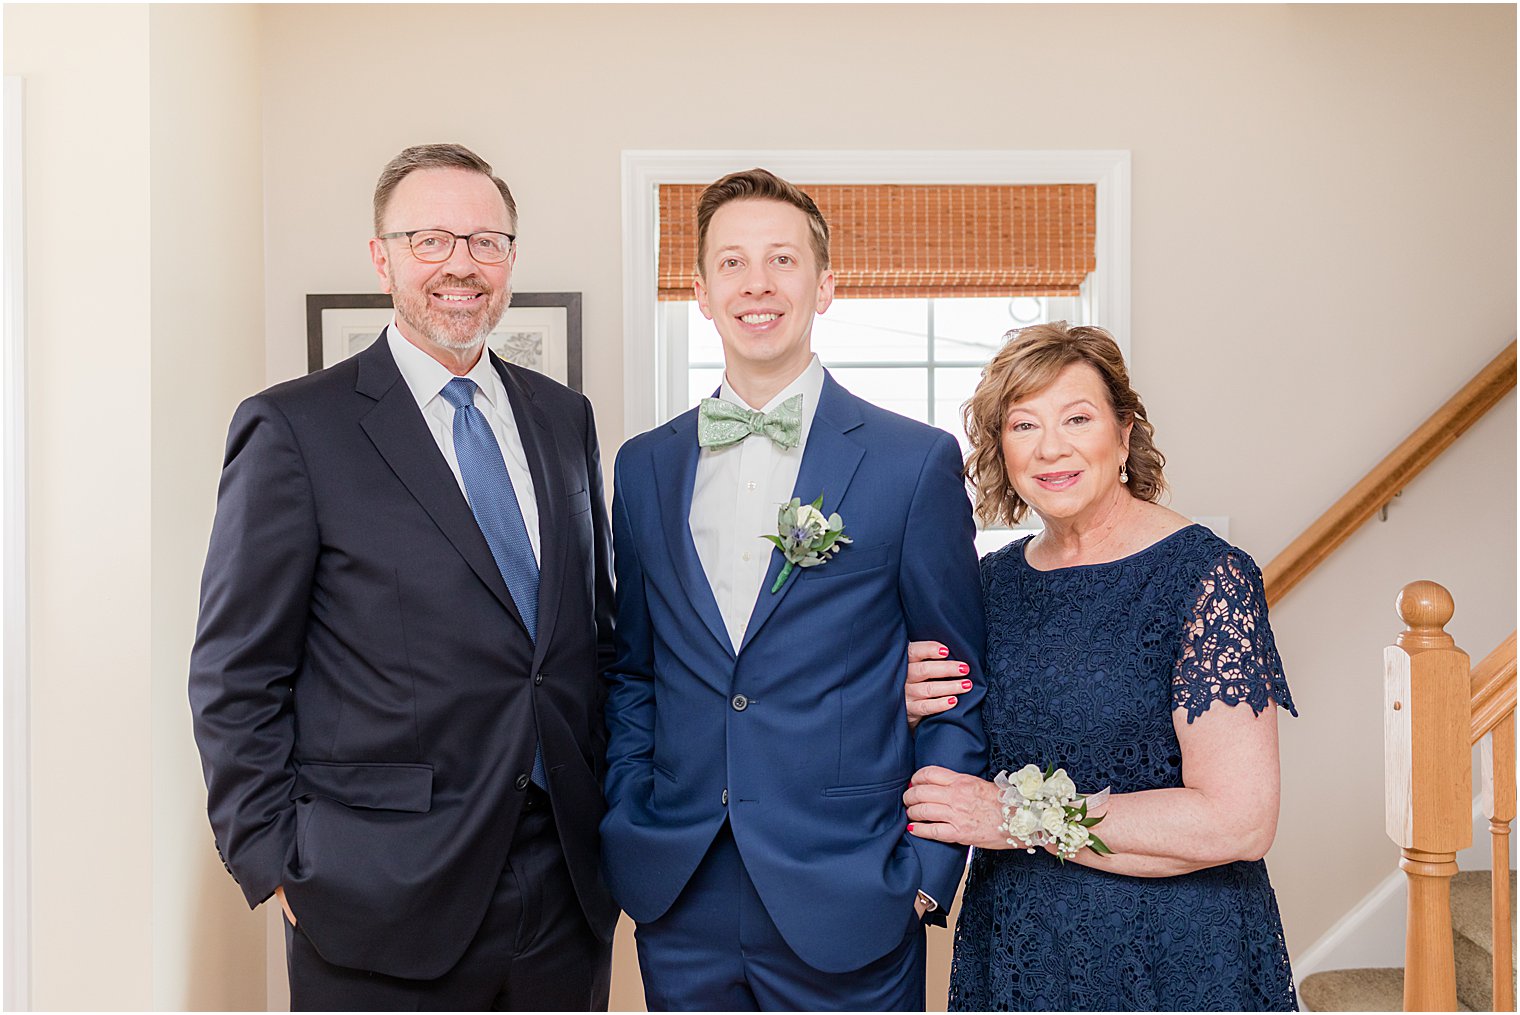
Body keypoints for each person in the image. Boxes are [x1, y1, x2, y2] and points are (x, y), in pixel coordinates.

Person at [188, 143, 617, 1010]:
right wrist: (273, 859)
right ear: (381, 257)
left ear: (509, 261)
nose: (462, 264)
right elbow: (236, 673)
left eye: (485, 241)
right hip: (376, 888)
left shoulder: (563, 418)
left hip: (564, 885)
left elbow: (588, 637)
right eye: (431, 240)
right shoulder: (294, 428)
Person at [600, 168, 988, 1011]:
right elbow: (635, 669)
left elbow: (957, 684)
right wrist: (630, 811)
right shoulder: (643, 466)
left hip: (853, 884)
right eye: (732, 263)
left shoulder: (910, 463)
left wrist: (924, 873)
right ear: (700, 292)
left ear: (825, 284)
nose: (758, 283)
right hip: (683, 884)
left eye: (782, 259)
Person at [903, 322, 1298, 1011]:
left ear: (1123, 434)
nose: (1050, 447)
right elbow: (954, 746)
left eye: (1076, 418)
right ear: (1003, 451)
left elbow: (1238, 819)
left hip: (1174, 954)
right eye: (1023, 424)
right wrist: (903, 699)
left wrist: (1019, 817)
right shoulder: (987, 585)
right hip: (1019, 950)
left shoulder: (1206, 577)